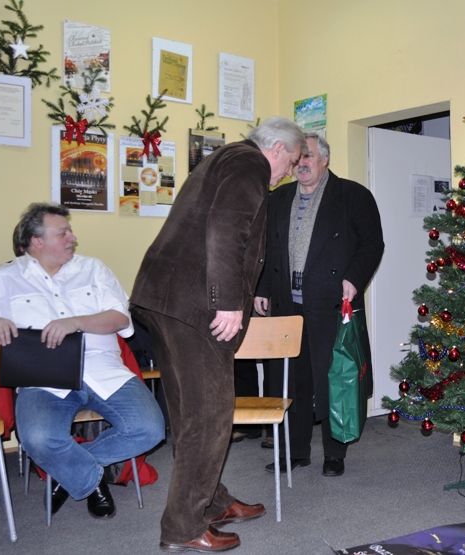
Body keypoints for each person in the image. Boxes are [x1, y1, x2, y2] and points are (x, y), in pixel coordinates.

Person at [131, 116, 306, 553]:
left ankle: (213, 501)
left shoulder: (225, 158)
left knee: (190, 412)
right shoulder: (250, 164)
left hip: (166, 299)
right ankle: (183, 526)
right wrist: (227, 301)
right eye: (292, 161)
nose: (289, 172)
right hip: (195, 306)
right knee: (210, 417)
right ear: (278, 149)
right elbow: (227, 231)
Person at [0, 203, 165, 519]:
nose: (73, 238)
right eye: (63, 233)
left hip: (104, 370)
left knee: (150, 429)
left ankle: (69, 474)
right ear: (37, 241)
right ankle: (91, 480)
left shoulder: (93, 269)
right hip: (42, 379)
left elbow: (119, 319)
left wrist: (76, 322)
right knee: (38, 439)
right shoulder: (1, 278)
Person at [254, 132, 384, 478]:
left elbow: (372, 244)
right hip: (287, 305)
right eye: (298, 159)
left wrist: (354, 278)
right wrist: (262, 288)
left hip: (332, 303)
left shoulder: (353, 196)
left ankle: (334, 453)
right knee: (291, 381)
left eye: (308, 156)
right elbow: (267, 247)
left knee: (333, 379)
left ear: (325, 159)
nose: (302, 164)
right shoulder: (280, 198)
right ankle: (295, 451)